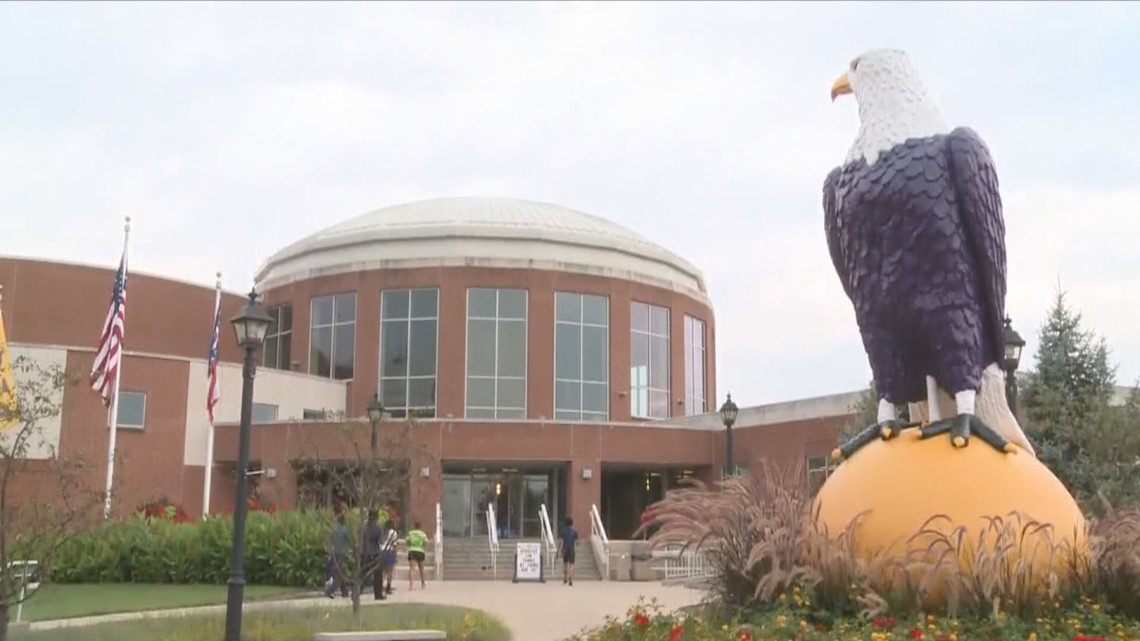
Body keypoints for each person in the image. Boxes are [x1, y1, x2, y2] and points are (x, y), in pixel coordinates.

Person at [324, 513, 350, 598]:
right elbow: (348, 541)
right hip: (342, 553)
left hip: (335, 553)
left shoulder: (334, 529)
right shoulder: (345, 530)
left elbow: (329, 539)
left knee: (340, 572)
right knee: (340, 573)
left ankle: (345, 591)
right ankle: (330, 590)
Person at [363, 509, 385, 600]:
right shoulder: (377, 527)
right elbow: (380, 540)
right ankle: (378, 594)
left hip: (366, 552)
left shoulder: (365, 527)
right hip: (375, 552)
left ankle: (357, 590)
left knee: (364, 573)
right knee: (378, 575)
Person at [379, 514, 399, 596]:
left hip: (382, 551)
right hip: (389, 552)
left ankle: (380, 586)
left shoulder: (382, 532)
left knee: (383, 572)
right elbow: (395, 545)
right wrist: (395, 555)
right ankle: (388, 587)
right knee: (390, 571)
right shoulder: (393, 533)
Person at [406, 520, 428, 591]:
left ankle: (411, 585)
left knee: (412, 568)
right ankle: (423, 584)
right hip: (420, 551)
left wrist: (410, 546)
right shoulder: (422, 534)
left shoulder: (410, 533)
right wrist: (422, 547)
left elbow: (407, 541)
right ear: (420, 527)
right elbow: (425, 542)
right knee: (421, 568)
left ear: (414, 526)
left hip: (412, 550)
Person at [559, 517, 578, 586]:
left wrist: (559, 549)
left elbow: (561, 541)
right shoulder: (574, 532)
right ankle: (571, 579)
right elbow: (576, 542)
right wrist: (575, 548)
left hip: (565, 549)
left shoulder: (563, 531)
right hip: (571, 549)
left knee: (565, 563)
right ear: (572, 523)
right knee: (571, 564)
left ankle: (565, 578)